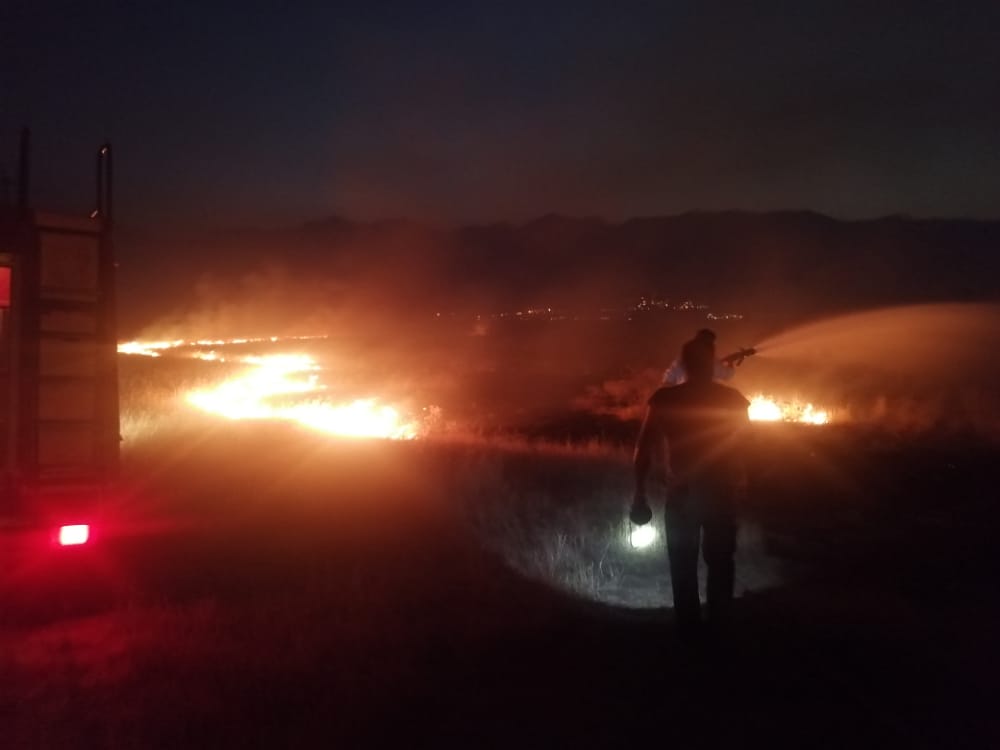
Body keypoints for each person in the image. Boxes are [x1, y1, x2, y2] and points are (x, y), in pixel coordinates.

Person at [633, 335, 750, 636]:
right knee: (721, 563)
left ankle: (688, 631)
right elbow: (748, 449)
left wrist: (639, 494)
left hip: (682, 495)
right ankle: (720, 628)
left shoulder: (665, 400)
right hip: (721, 493)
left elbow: (643, 449)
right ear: (712, 364)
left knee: (682, 565)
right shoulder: (733, 400)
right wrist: (744, 485)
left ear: (683, 364)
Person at [662, 328, 737, 385]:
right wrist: (730, 363)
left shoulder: (680, 362)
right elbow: (728, 375)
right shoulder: (711, 362)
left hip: (684, 398)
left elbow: (668, 380)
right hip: (706, 397)